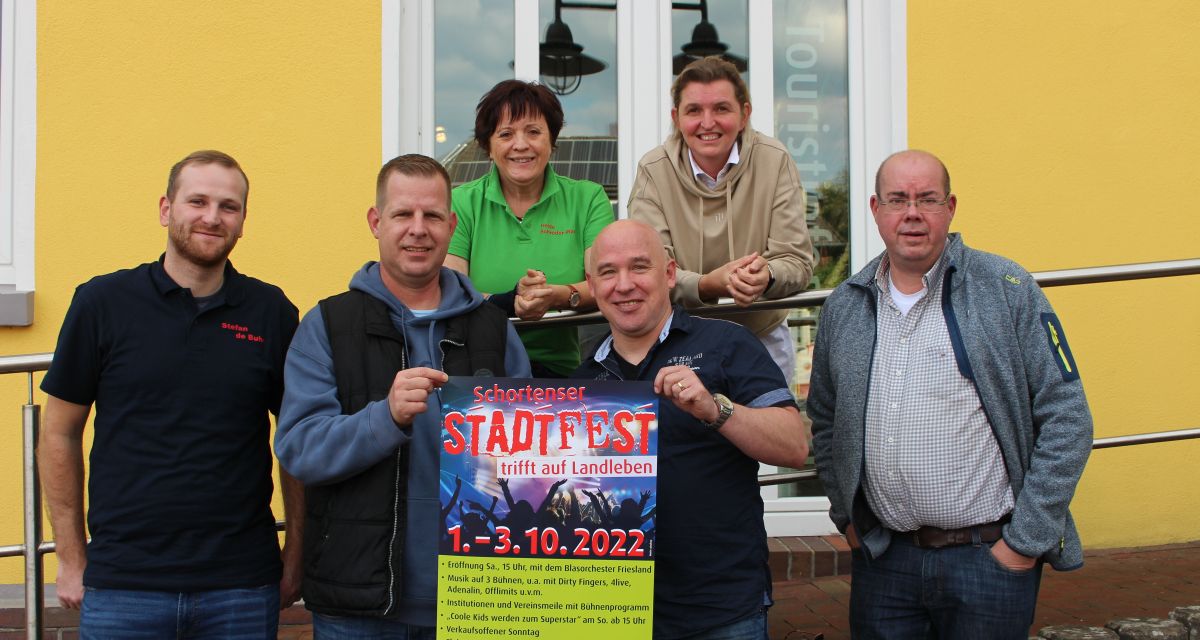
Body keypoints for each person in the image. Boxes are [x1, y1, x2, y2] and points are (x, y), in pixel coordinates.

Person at [807, 150, 1093, 638]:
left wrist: (1024, 542)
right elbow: (825, 421)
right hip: (885, 562)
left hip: (988, 561)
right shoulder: (845, 307)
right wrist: (847, 519)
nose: (912, 212)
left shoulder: (1007, 289)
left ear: (950, 207)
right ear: (876, 209)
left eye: (927, 199)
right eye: (898, 199)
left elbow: (1068, 416)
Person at [38, 150, 303, 638]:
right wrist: (71, 557)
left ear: (243, 221)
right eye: (197, 201)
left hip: (240, 585)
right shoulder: (103, 303)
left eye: (229, 206)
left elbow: (297, 441)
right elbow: (57, 433)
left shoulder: (271, 312)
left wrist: (296, 555)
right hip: (124, 584)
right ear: (166, 209)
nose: (212, 217)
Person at [275, 154, 531, 637]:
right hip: (358, 604)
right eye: (402, 215)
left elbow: (527, 463)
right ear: (376, 222)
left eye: (433, 216)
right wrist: (384, 418)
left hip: (481, 602)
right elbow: (299, 450)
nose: (419, 229)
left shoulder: (494, 331)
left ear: (452, 225)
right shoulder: (328, 325)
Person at [574, 219, 809, 639]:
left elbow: (793, 446)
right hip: (610, 613)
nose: (624, 285)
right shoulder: (582, 380)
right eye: (608, 272)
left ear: (668, 274)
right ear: (592, 285)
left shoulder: (726, 343)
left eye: (639, 267)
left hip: (720, 609)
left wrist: (713, 407)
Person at [628, 56, 815, 386]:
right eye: (694, 111)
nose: (708, 122)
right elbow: (650, 270)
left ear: (744, 115)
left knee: (765, 436)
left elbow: (797, 261)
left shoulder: (774, 160)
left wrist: (768, 275)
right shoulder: (653, 171)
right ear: (676, 117)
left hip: (762, 335)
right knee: (691, 438)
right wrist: (708, 285)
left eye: (721, 109)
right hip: (679, 340)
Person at [445, 79, 613, 378]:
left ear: (552, 138)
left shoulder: (587, 198)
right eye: (506, 134)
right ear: (487, 145)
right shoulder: (460, 202)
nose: (520, 145)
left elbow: (606, 283)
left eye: (533, 132)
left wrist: (557, 295)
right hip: (479, 371)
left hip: (563, 374)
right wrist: (512, 300)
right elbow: (452, 290)